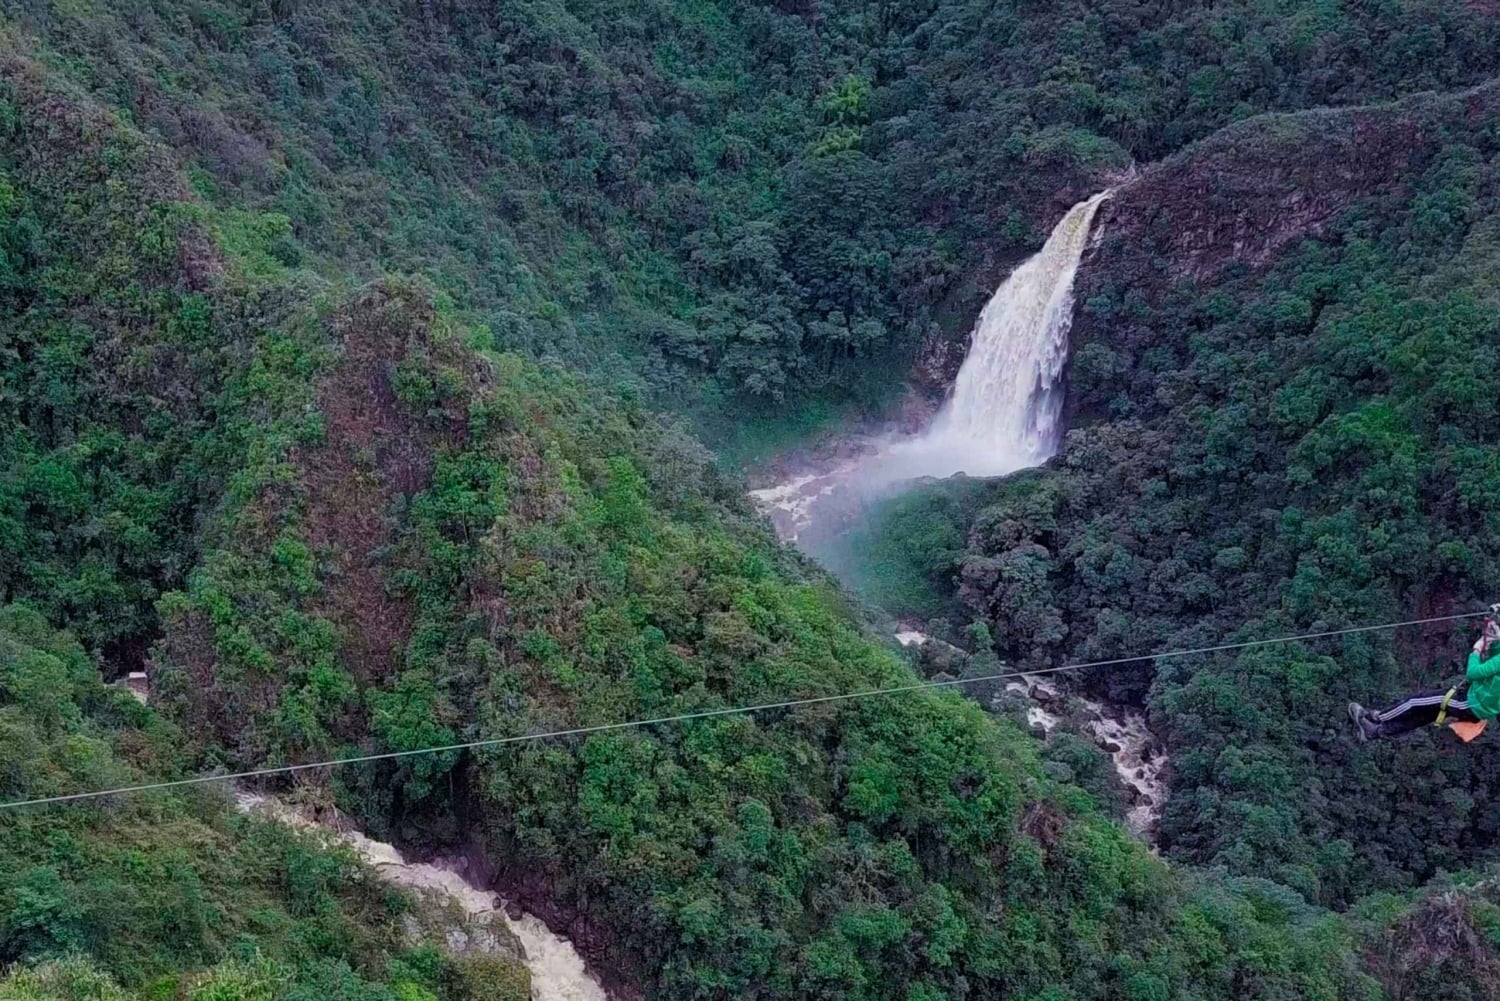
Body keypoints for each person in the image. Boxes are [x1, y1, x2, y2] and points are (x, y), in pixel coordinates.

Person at [1349, 612, 1500, 742]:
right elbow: (1494, 662)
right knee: (1423, 716)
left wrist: (1476, 650)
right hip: (1478, 704)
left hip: (1471, 703)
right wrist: (1494, 641)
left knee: (1415, 702)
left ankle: (1375, 717)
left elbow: (1472, 673)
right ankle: (1375, 732)